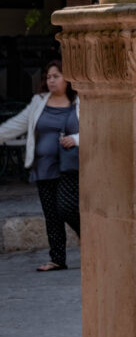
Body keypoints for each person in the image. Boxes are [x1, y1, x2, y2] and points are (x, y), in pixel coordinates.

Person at [0, 59, 80, 270]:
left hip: (69, 165)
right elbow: (16, 125)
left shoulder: (80, 102)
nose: (51, 81)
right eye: (48, 77)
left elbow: (94, 127)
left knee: (67, 208)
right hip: (44, 166)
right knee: (52, 214)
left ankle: (92, 243)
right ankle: (57, 259)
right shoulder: (39, 101)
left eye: (56, 76)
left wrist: (77, 139)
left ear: (67, 79)